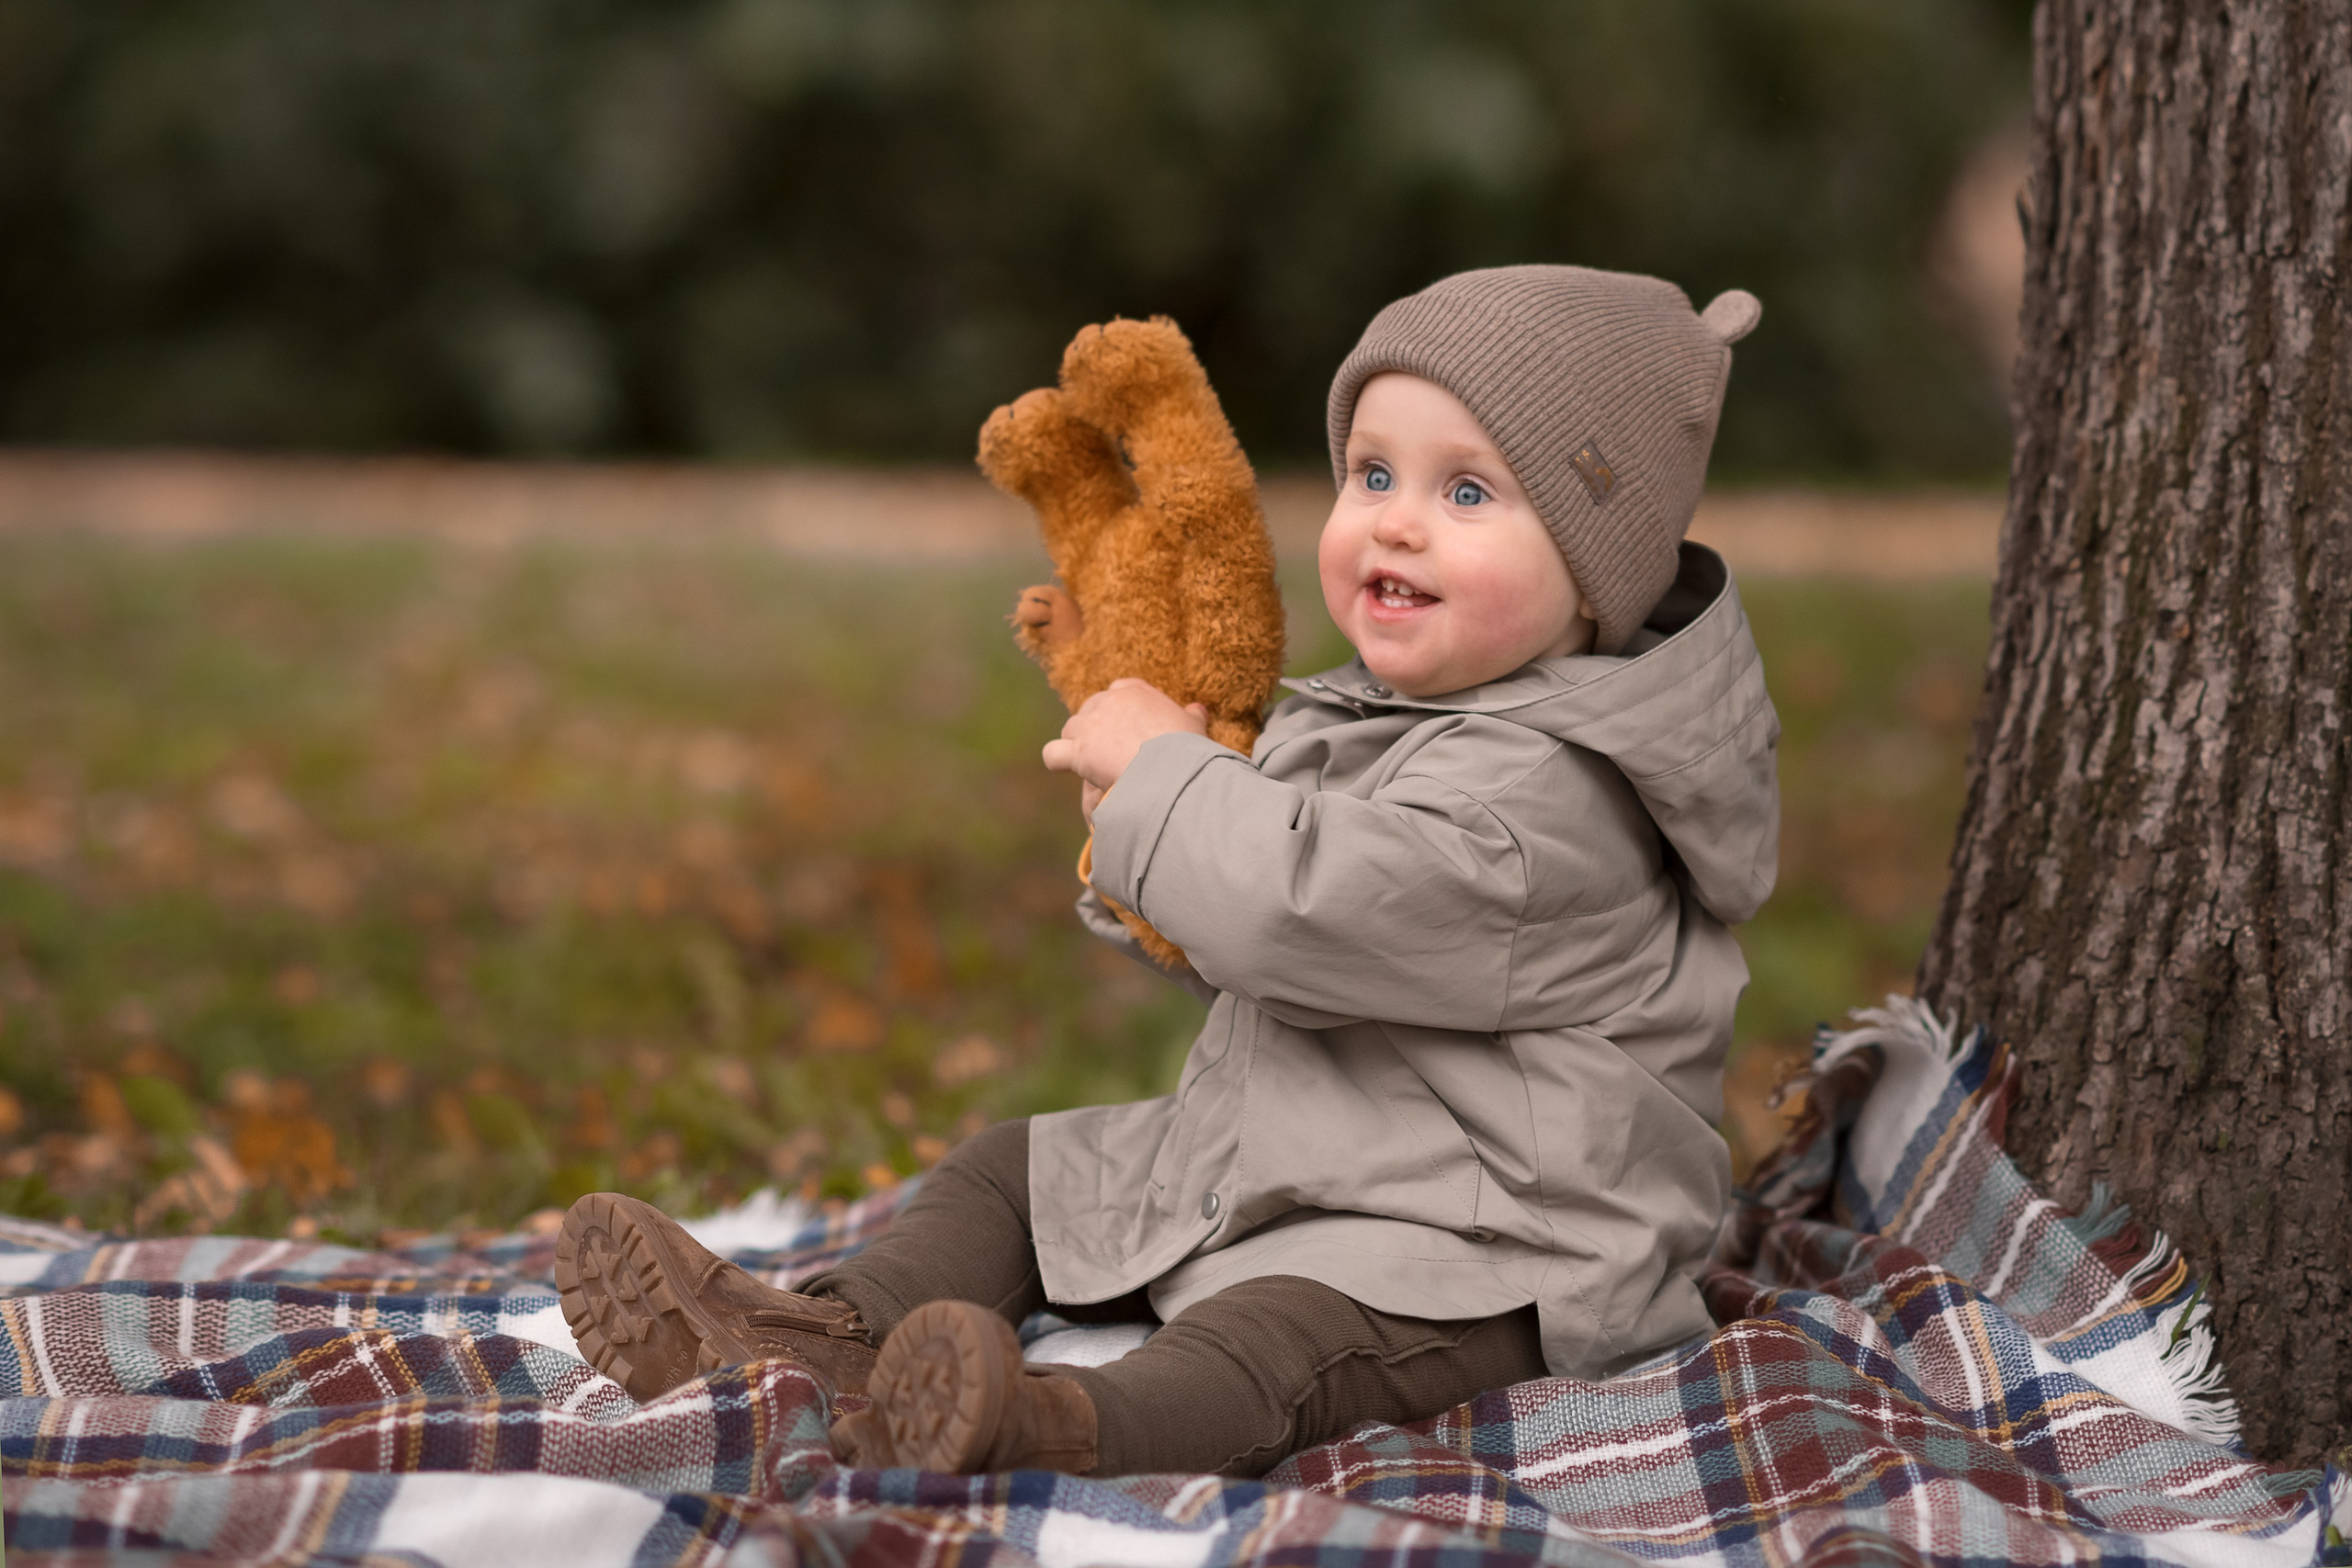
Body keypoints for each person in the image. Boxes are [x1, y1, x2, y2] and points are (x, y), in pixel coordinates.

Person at [556, 264, 1779, 1479]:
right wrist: (1143, 826)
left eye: (1467, 490)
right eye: (1372, 474)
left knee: (1261, 1343)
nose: (1396, 520)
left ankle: (1048, 1428)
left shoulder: (1552, 798)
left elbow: (1305, 908)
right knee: (1011, 1174)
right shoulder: (1382, 717)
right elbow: (1248, 935)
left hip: (1483, 1250)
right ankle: (819, 1340)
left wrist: (1169, 781)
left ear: (1599, 563)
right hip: (1303, 1159)